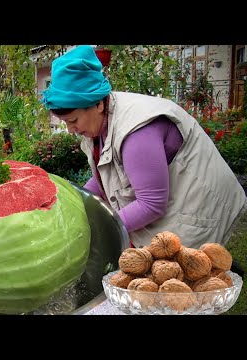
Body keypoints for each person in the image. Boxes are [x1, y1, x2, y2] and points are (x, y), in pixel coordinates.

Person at [41, 45, 247, 250]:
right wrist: (74, 202)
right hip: (171, 204)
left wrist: (96, 229)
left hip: (200, 207)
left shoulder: (136, 133)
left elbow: (151, 204)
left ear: (98, 105)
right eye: (65, 122)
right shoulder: (99, 119)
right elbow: (103, 177)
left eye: (73, 120)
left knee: (186, 272)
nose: (70, 129)